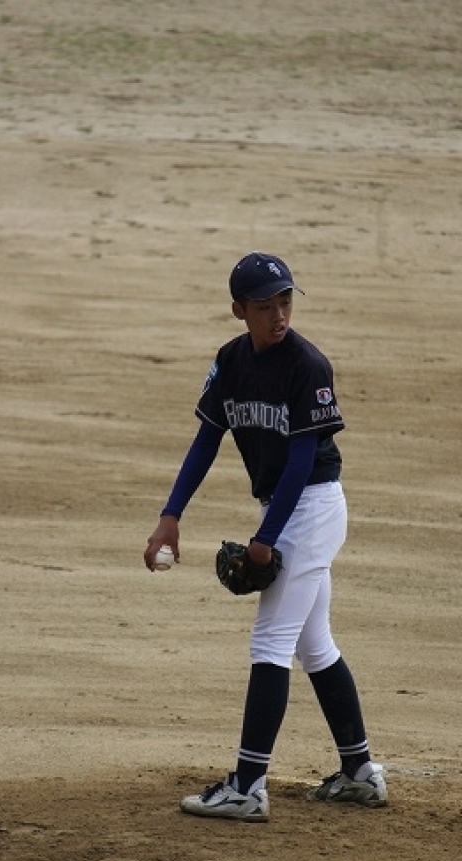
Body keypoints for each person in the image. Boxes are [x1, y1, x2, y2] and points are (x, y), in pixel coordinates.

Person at [144, 252, 387, 822]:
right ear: (239, 310)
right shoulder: (230, 361)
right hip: (286, 510)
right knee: (313, 644)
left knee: (271, 643)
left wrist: (265, 538)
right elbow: (206, 440)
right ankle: (359, 772)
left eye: (285, 302)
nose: (278, 315)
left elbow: (302, 459)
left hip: (312, 507)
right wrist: (170, 514)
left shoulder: (307, 364)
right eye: (264, 306)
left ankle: (248, 786)